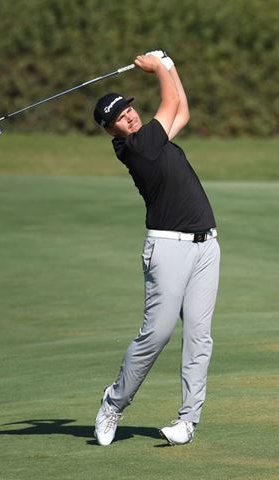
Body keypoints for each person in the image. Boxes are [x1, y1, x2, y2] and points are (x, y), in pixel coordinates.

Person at [92, 51, 220, 446]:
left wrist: (171, 65)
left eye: (129, 109)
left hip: (206, 247)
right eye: (120, 117)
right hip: (167, 249)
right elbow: (170, 101)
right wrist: (159, 68)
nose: (129, 117)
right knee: (157, 334)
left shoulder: (153, 137)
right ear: (111, 130)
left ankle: (188, 421)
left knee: (199, 337)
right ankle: (114, 402)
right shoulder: (136, 146)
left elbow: (182, 111)